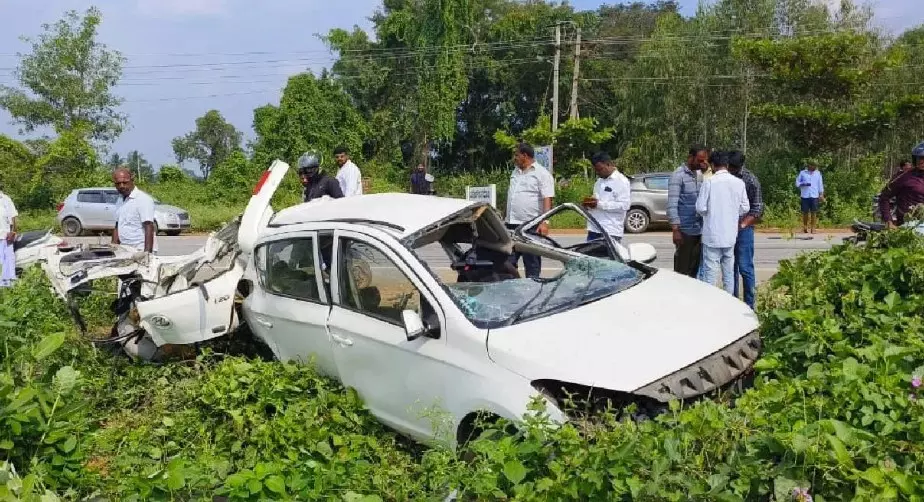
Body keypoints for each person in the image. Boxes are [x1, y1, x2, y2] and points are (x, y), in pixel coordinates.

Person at [695, 151, 749, 294]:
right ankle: (729, 305)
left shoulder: (709, 182)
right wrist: (731, 213)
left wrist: (711, 213)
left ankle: (710, 306)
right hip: (730, 235)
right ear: (726, 164)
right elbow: (745, 207)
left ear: (712, 165)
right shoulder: (739, 183)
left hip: (712, 235)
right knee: (729, 274)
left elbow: (700, 207)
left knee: (710, 275)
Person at [505, 142, 555, 279]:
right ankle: (512, 286)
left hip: (530, 226)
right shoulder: (515, 172)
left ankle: (532, 287)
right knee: (507, 260)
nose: (514, 158)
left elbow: (547, 199)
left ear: (525, 156)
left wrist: (545, 222)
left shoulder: (541, 174)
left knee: (531, 261)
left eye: (516, 155)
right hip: (511, 224)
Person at [667, 145, 710, 278]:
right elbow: (672, 204)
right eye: (700, 160)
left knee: (694, 269)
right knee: (682, 270)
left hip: (699, 229)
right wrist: (676, 230)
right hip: (684, 230)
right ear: (690, 158)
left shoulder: (700, 174)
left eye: (705, 161)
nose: (703, 164)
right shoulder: (678, 175)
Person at [728, 151, 763, 310]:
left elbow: (757, 209)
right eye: (730, 166)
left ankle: (749, 304)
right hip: (726, 228)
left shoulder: (751, 180)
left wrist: (742, 225)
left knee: (745, 267)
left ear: (740, 166)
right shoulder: (724, 178)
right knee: (730, 267)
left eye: (734, 167)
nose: (731, 169)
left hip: (744, 229)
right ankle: (733, 303)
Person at [582, 151, 631, 242]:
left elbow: (625, 205)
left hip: (610, 230)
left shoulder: (621, 181)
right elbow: (596, 201)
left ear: (608, 164)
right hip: (594, 228)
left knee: (606, 256)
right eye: (595, 170)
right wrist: (589, 204)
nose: (597, 172)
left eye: (600, 169)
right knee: (589, 256)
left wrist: (599, 204)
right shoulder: (599, 182)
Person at [112, 168, 156, 253]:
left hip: (139, 250)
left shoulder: (143, 199)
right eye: (118, 183)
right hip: (124, 249)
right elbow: (117, 225)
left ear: (132, 180)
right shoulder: (120, 200)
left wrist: (147, 254)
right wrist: (113, 247)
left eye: (125, 182)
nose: (121, 186)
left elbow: (149, 226)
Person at [879, 143, 924, 227]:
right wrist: (888, 220)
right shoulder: (904, 177)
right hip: (908, 226)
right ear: (915, 160)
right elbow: (884, 197)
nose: (922, 161)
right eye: (920, 158)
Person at [796, 163, 824, 234]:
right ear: (809, 166)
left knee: (814, 212)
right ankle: (805, 228)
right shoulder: (802, 173)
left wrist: (821, 194)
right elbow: (797, 183)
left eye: (815, 166)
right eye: (813, 165)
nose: (815, 167)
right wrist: (803, 184)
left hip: (814, 195)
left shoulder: (818, 173)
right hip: (805, 195)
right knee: (805, 212)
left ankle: (813, 228)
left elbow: (820, 184)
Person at [0, 186, 18, 287]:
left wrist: (14, 232)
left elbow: (14, 216)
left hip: (5, 236)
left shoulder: (6, 199)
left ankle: (9, 284)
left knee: (8, 260)